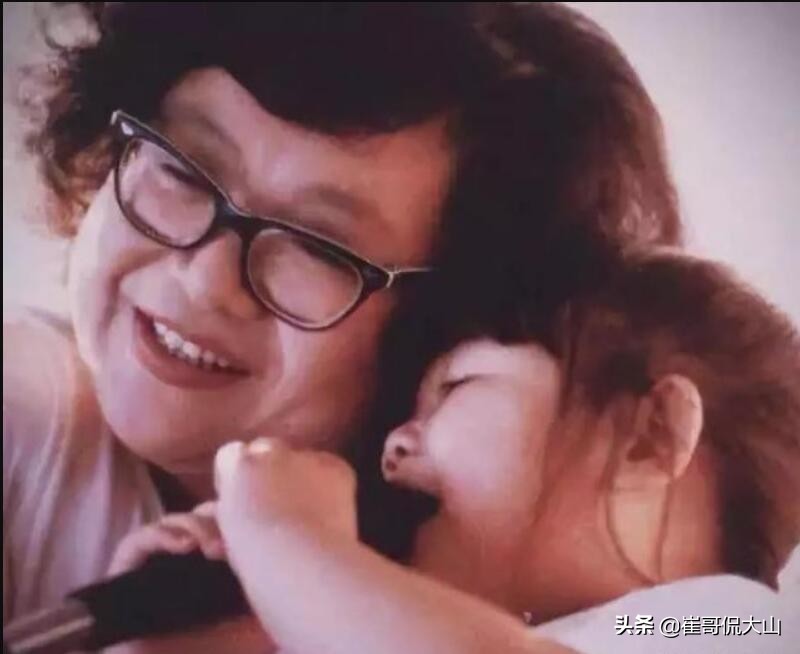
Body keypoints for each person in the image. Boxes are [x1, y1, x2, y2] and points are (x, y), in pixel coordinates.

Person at [4, 1, 680, 634]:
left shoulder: (617, 611)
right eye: (181, 170)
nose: (207, 279)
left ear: (448, 333)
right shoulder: (24, 408)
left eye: (317, 247)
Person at [120, 250, 800, 653]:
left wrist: (289, 540)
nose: (394, 444)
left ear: (651, 437)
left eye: (456, 388)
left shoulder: (733, 624)